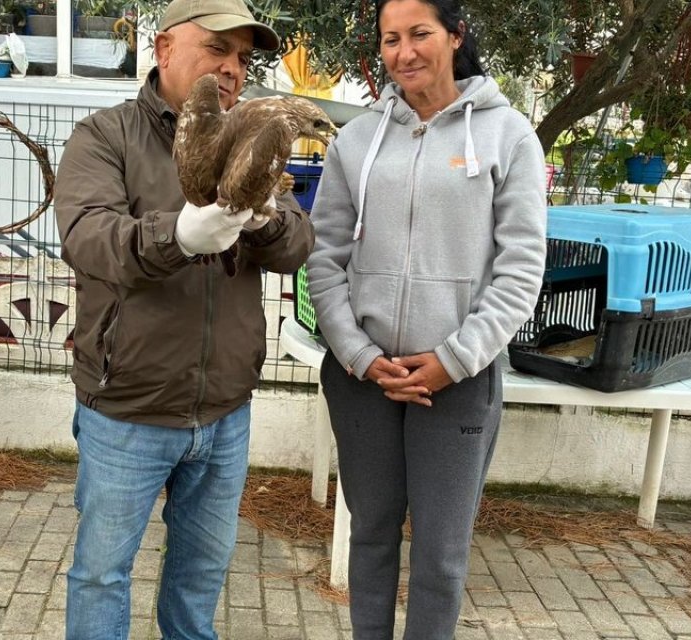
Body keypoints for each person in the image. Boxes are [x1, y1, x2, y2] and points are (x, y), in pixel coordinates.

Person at [52, 0, 314, 636]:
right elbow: (89, 236)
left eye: (242, 58)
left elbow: (299, 245)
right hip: (128, 408)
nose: (231, 68)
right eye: (216, 49)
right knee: (101, 574)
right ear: (163, 49)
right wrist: (181, 235)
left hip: (224, 411)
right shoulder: (105, 135)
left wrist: (268, 220)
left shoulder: (251, 132)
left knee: (202, 572)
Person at [305, 0, 547, 637]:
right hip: (365, 378)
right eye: (391, 39)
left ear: (455, 36)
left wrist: (454, 361)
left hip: (459, 382)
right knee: (372, 539)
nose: (404, 52)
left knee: (440, 558)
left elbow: (520, 270)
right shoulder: (357, 140)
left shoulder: (508, 137)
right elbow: (324, 259)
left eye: (420, 34)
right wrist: (358, 354)